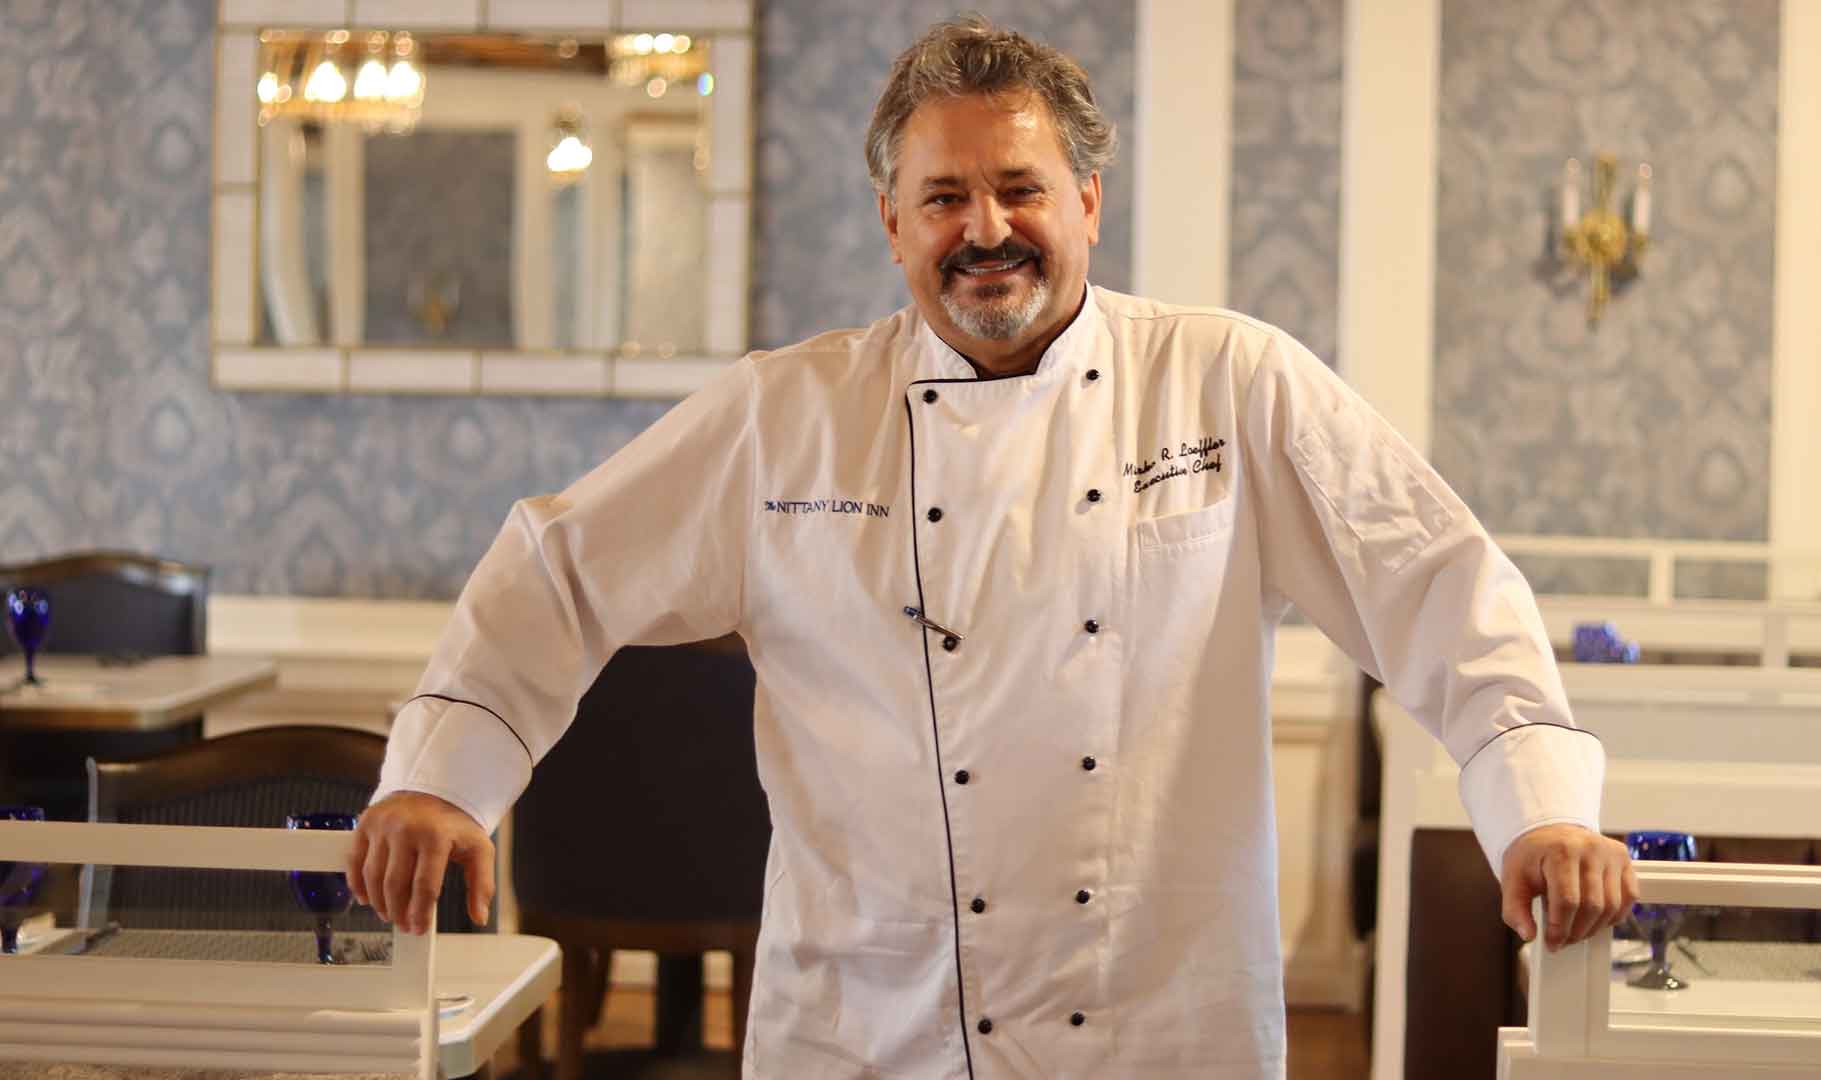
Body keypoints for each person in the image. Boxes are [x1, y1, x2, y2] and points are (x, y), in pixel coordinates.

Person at [350, 15, 1635, 1078]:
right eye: (945, 196)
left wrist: (1536, 812)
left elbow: (1432, 579)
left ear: (1085, 199)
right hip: (863, 1024)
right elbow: (560, 569)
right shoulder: (787, 414)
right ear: (892, 220)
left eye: (1020, 189)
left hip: (1153, 1030)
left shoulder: (1225, 383)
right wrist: (441, 777)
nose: (986, 229)